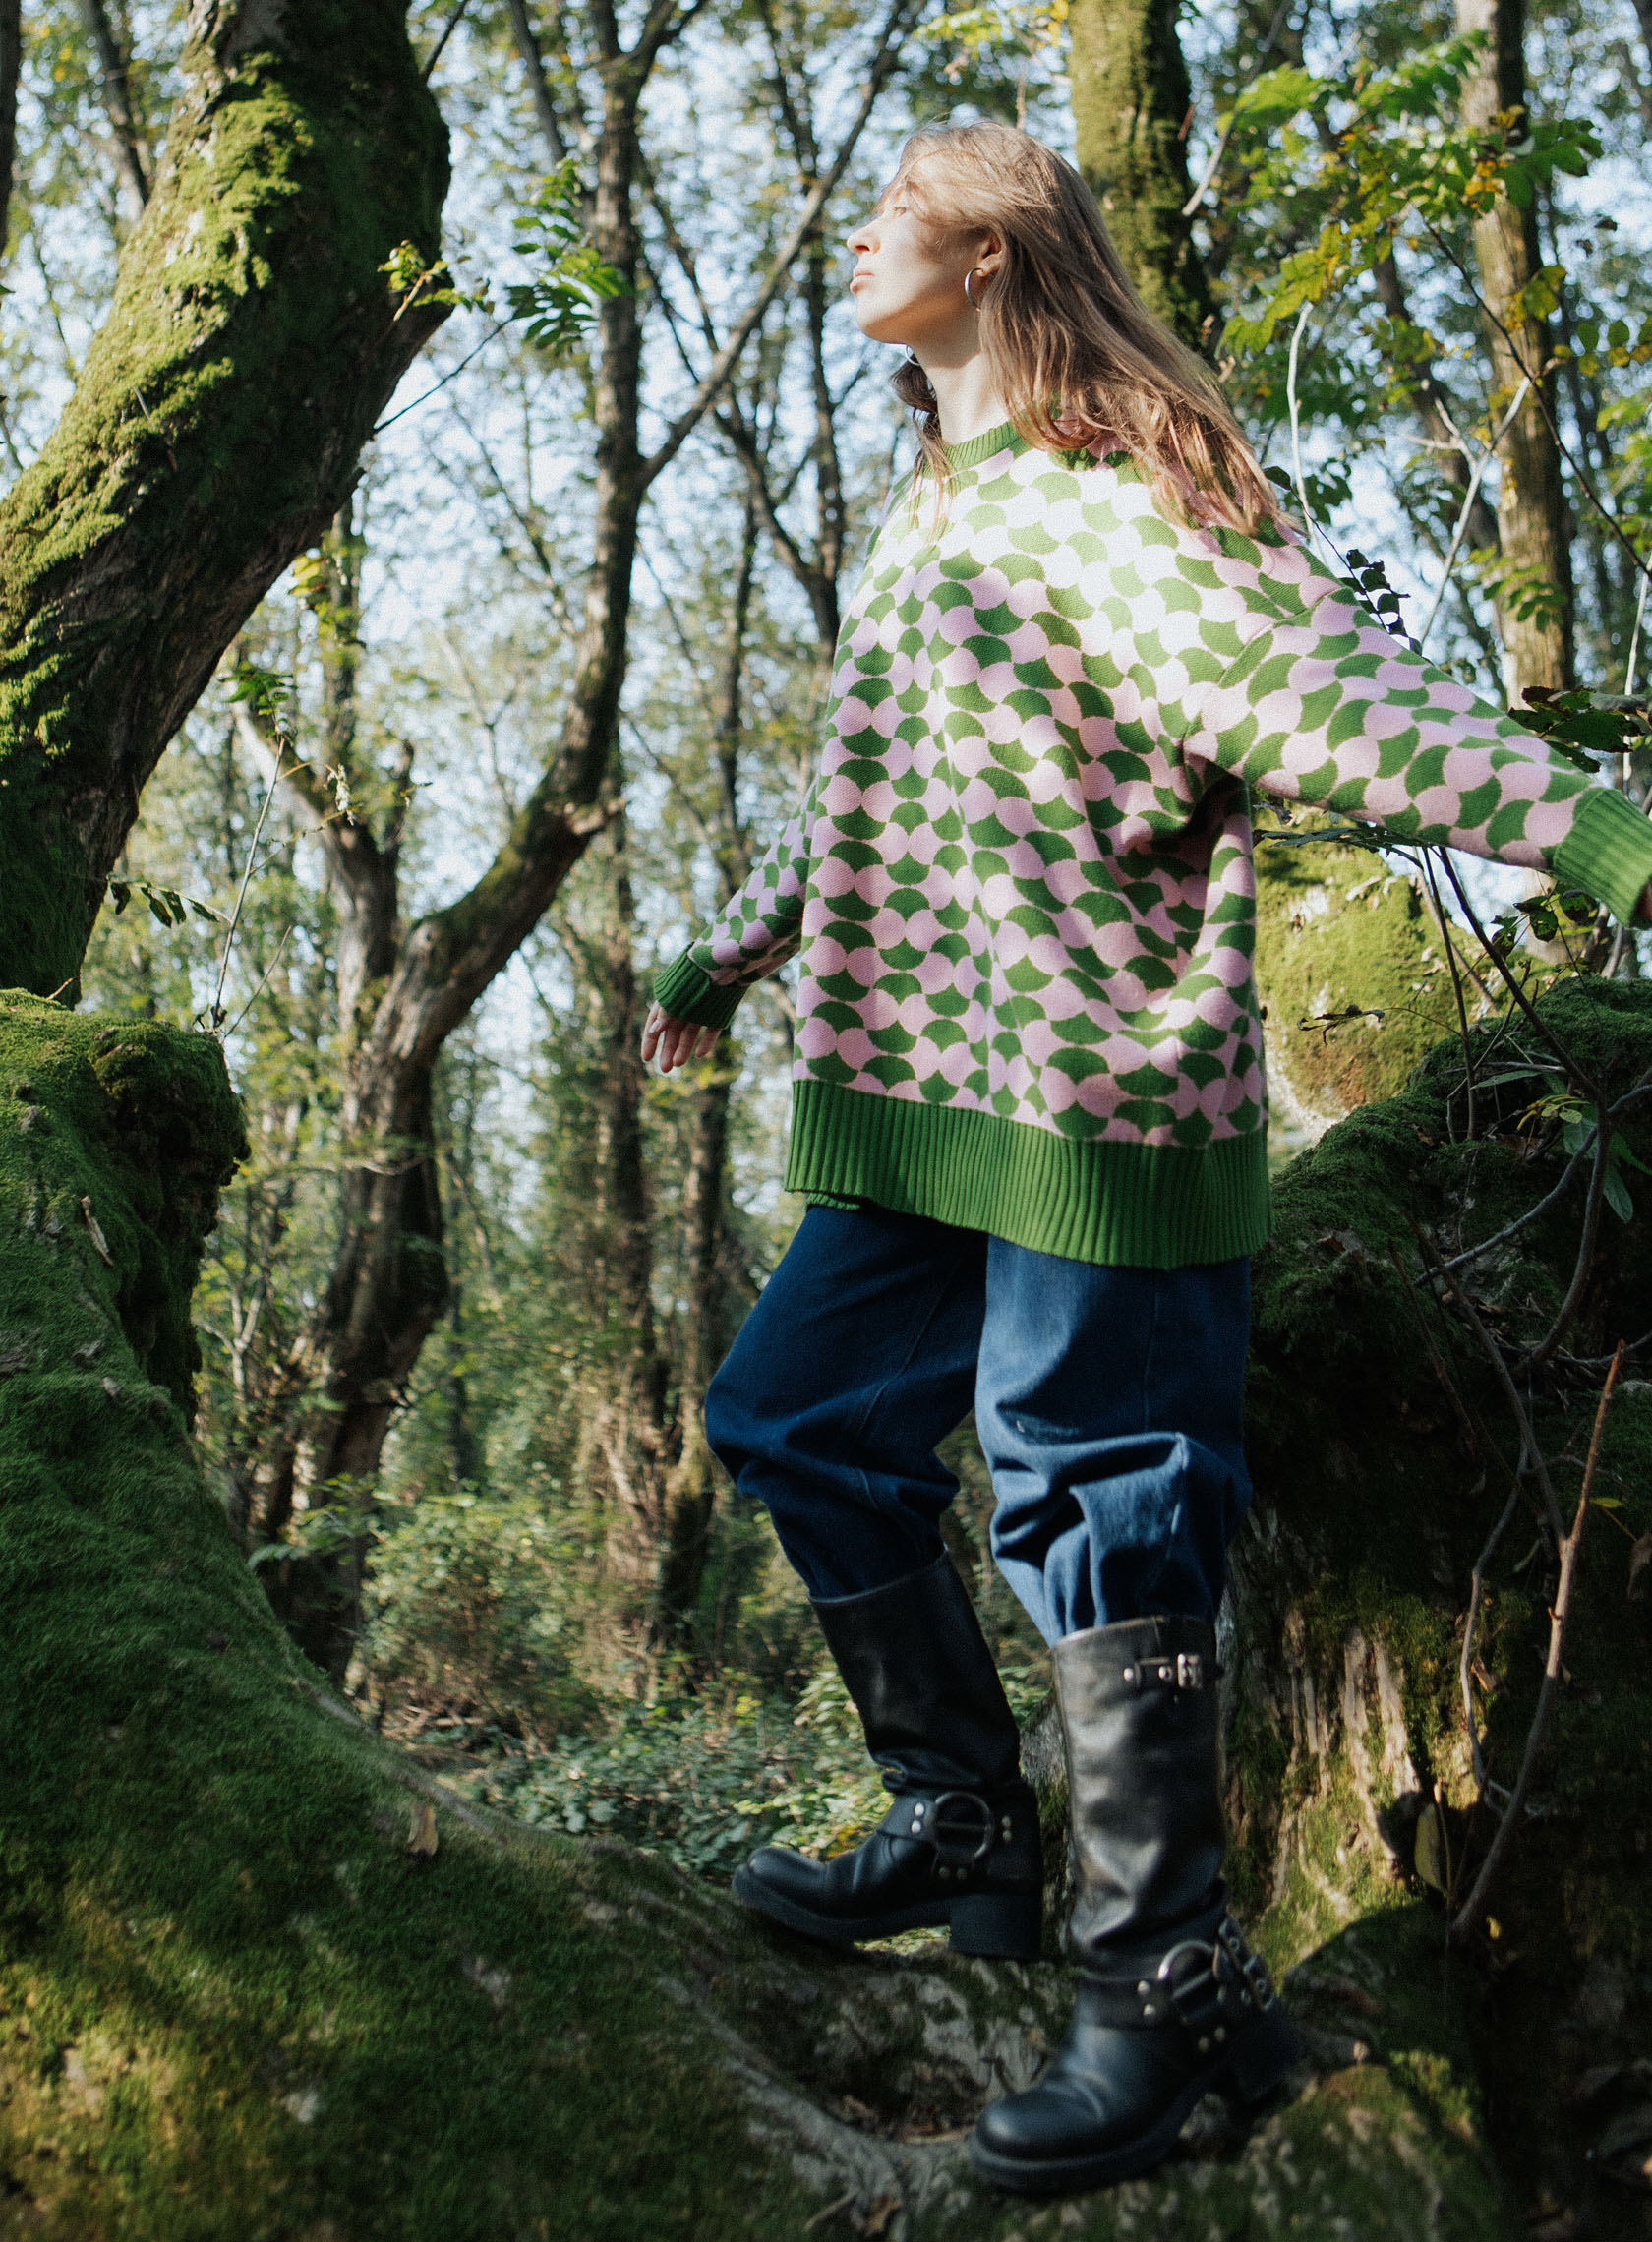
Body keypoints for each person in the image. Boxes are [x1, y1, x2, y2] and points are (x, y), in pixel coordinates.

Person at [640, 120, 1652, 2198]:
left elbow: (1332, 696)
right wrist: (735, 951)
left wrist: (1605, 833)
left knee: (1090, 1483)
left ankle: (1164, 1982)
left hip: (1095, 1093)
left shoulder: (1125, 501)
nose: (858, 240)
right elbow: (880, 795)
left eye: (893, 211)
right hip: (922, 1092)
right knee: (795, 1417)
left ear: (995, 255)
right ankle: (962, 1820)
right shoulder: (931, 513)